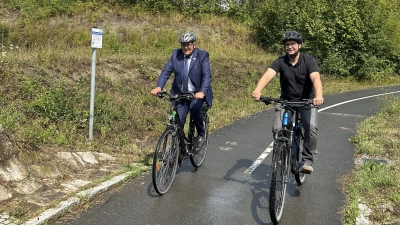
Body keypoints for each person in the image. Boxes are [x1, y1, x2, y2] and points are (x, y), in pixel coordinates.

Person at [251, 30, 324, 173]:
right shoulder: (280, 61)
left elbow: (316, 78)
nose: (289, 47)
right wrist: (258, 90)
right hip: (286, 101)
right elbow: (268, 75)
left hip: (307, 101)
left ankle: (307, 160)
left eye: (293, 44)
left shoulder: (308, 60)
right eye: (287, 45)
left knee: (311, 127)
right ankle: (281, 153)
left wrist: (319, 95)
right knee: (278, 128)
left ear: (299, 45)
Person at [151, 31, 213, 147]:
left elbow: (206, 75)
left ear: (194, 44)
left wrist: (202, 92)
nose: (186, 47)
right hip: (181, 93)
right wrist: (159, 86)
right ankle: (178, 149)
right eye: (183, 44)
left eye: (188, 44)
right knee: (178, 120)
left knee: (195, 110)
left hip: (196, 93)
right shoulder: (176, 54)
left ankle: (201, 133)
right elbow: (166, 71)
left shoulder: (202, 55)